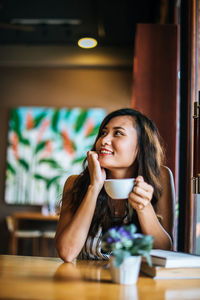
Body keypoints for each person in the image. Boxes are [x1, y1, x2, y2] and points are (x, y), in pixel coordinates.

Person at [55, 108, 175, 262]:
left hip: (137, 283)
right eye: (103, 133)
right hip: (86, 283)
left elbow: (163, 250)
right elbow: (67, 253)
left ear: (141, 145)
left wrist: (143, 208)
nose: (104, 140)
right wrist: (94, 187)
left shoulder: (159, 178)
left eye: (118, 133)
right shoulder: (75, 184)